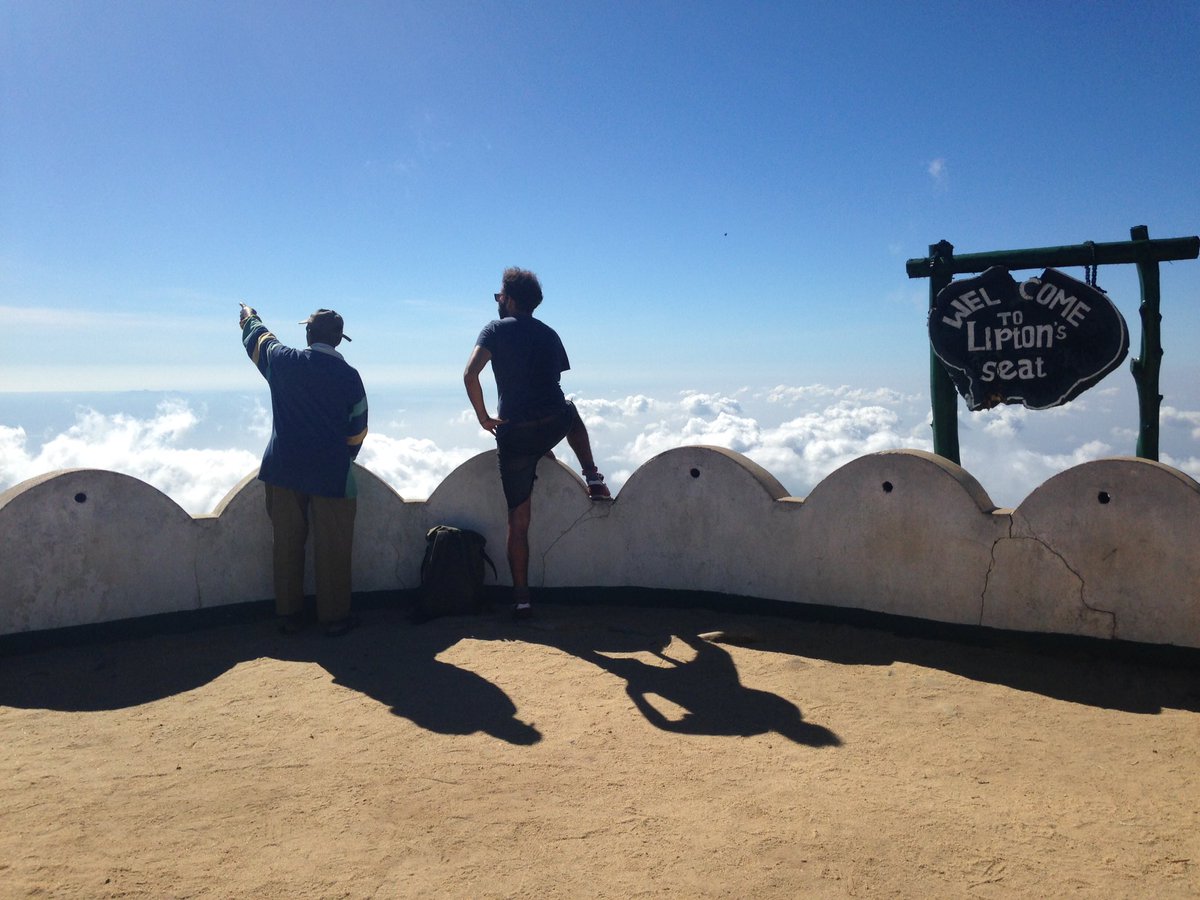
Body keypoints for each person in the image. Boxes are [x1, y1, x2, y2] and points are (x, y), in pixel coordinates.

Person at [463, 267, 611, 621]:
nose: (498, 301)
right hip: (552, 423)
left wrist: (484, 418)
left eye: (500, 296)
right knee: (571, 411)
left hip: (515, 434)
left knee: (519, 521)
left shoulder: (494, 330)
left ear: (511, 300)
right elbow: (548, 381)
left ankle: (522, 601)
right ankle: (593, 478)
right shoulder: (549, 333)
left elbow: (470, 375)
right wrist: (544, 441)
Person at [239, 303, 368, 636]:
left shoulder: (284, 362)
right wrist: (342, 457)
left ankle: (289, 616)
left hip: (282, 469)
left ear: (308, 334)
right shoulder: (350, 377)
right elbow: (357, 430)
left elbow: (260, 340)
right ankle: (334, 618)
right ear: (339, 339)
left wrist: (250, 317)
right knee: (333, 547)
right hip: (332, 474)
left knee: (286, 543)